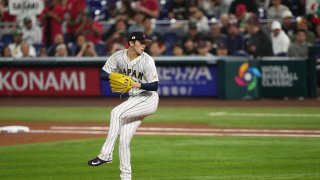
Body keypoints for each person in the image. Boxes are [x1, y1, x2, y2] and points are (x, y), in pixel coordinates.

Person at [88, 31, 159, 180]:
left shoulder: (147, 60)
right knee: (124, 140)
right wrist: (116, 77)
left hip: (148, 99)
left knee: (116, 113)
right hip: (133, 100)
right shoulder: (118, 56)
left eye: (145, 43)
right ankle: (126, 178)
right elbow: (103, 74)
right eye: (141, 42)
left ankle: (105, 155)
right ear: (131, 43)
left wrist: (134, 83)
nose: (144, 45)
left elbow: (154, 86)